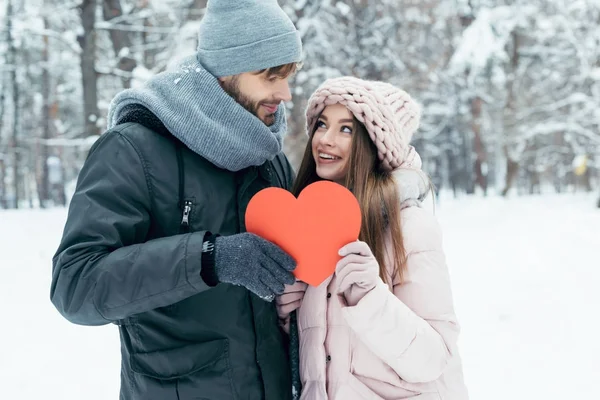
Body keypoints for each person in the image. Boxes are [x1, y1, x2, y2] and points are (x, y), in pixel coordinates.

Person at [50, 0, 303, 399]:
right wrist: (208, 258)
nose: (285, 93)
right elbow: (75, 284)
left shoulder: (268, 154)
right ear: (225, 71)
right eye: (270, 76)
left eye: (289, 76)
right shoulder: (133, 150)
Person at [276, 77, 469, 399]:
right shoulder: (310, 224)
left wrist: (369, 298)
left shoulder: (408, 227)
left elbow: (433, 359)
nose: (325, 139)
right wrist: (286, 316)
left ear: (375, 145)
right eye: (322, 124)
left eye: (346, 129)